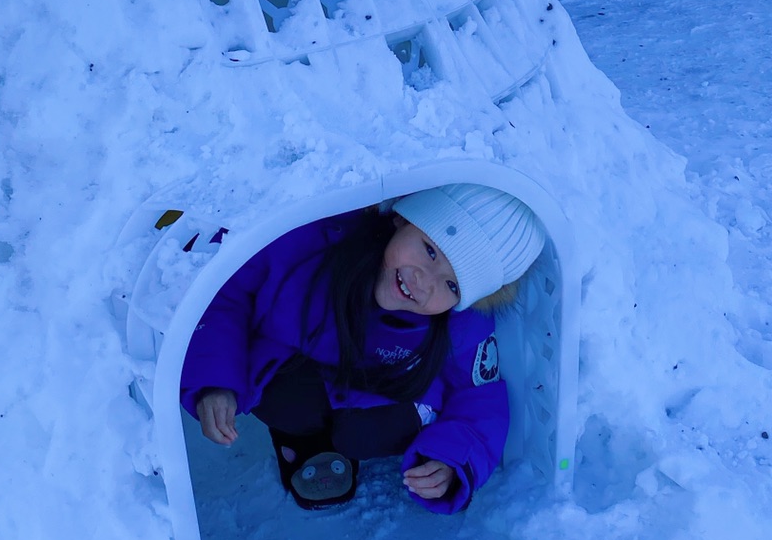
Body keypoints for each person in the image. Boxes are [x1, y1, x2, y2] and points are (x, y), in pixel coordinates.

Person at [179, 184, 544, 511]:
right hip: (298, 369)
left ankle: (342, 443)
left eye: (452, 285)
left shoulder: (461, 322)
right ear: (402, 219)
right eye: (430, 251)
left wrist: (452, 458)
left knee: (364, 433)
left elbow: (479, 395)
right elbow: (226, 292)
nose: (424, 282)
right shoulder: (309, 247)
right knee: (285, 401)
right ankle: (302, 439)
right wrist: (216, 381)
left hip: (385, 396)